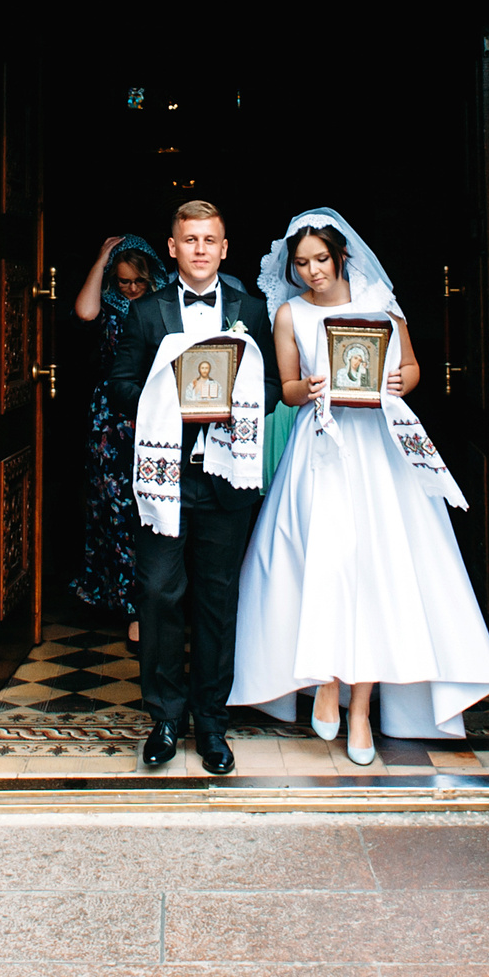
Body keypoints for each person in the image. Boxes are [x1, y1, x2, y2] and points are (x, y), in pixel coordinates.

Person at [232, 209, 489, 764]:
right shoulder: (289, 314)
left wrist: (405, 378)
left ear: (340, 257)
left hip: (379, 448)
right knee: (322, 562)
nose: (312, 272)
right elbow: (284, 389)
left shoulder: (377, 301)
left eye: (321, 261)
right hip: (322, 448)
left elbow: (411, 367)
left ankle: (362, 710)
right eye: (302, 263)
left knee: (379, 570)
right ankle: (325, 682)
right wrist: (304, 388)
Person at [105, 200, 280, 775]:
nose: (201, 249)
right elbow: (122, 386)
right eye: (191, 239)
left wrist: (233, 405)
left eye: (211, 240)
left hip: (227, 478)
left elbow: (274, 384)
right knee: (158, 594)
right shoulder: (147, 313)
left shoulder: (252, 311)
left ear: (224, 249)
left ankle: (211, 724)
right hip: (166, 476)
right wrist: (174, 403)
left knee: (216, 599)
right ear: (174, 247)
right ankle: (163, 718)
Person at [70, 234, 161, 639]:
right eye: (123, 281)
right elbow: (84, 311)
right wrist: (103, 257)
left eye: (137, 281)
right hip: (112, 419)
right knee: (112, 508)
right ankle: (120, 602)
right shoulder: (108, 302)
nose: (131, 289)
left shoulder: (163, 305)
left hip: (156, 409)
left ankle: (149, 605)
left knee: (151, 509)